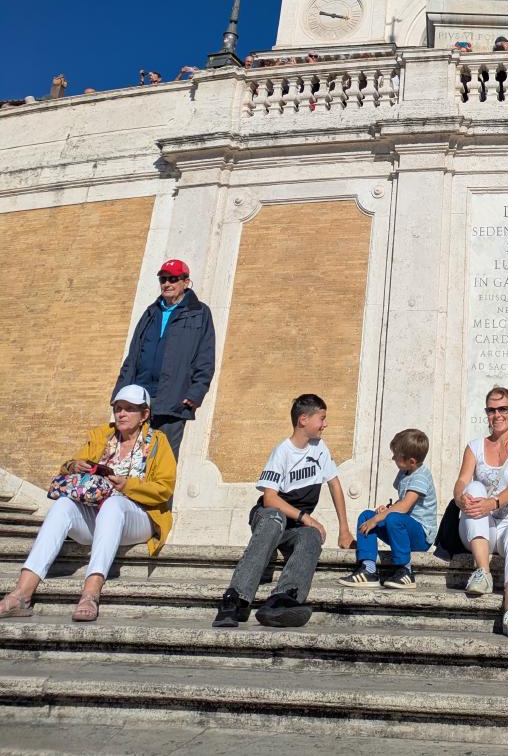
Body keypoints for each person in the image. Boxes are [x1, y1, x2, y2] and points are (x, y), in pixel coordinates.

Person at [0, 385, 176, 624]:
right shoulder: (101, 436)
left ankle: (90, 593)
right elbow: (69, 465)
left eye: (129, 409)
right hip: (97, 513)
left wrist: (127, 486)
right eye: (118, 409)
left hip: (138, 516)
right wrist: (74, 466)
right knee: (63, 505)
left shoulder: (158, 442)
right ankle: (22, 593)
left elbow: (164, 489)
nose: (121, 414)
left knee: (114, 504)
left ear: (144, 415)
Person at [213, 393, 355, 628]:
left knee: (311, 535)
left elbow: (334, 485)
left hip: (296, 528)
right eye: (322, 418)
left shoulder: (320, 448)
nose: (325, 424)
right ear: (303, 420)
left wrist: (344, 530)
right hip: (268, 517)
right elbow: (269, 499)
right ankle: (235, 600)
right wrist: (306, 517)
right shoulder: (283, 451)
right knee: (275, 518)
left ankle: (283, 600)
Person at [111, 259, 215, 461]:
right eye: (163, 279)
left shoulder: (199, 313)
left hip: (175, 399)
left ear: (186, 282)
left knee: (162, 463)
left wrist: (196, 392)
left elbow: (206, 357)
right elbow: (133, 356)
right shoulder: (151, 312)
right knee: (131, 460)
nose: (167, 284)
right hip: (139, 399)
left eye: (173, 279)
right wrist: (119, 393)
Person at [453, 386, 508, 639]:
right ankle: (483, 572)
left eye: (503, 409)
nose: (497, 415)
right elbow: (461, 481)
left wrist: (492, 503)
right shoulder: (474, 446)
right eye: (491, 409)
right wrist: (461, 499)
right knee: (474, 486)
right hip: (481, 529)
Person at [339, 428, 437, 589]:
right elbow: (402, 501)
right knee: (366, 516)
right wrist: (388, 508)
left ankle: (405, 571)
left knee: (390, 518)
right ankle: (368, 569)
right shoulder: (404, 472)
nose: (393, 458)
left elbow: (405, 506)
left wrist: (378, 518)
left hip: (420, 536)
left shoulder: (421, 476)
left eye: (396, 456)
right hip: (400, 526)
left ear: (411, 461)